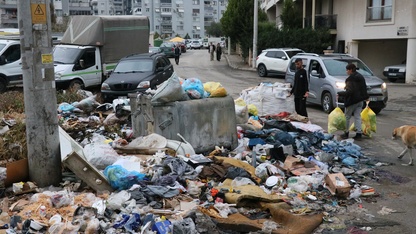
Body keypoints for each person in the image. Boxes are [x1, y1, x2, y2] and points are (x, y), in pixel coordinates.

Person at [338, 63, 369, 140]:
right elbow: (364, 88)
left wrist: (340, 93)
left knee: (347, 117)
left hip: (352, 101)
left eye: (347, 70)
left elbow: (350, 92)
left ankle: (346, 132)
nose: (346, 72)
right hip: (360, 100)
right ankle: (359, 133)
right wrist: (366, 97)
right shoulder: (361, 77)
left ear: (350, 70)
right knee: (357, 117)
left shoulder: (350, 79)